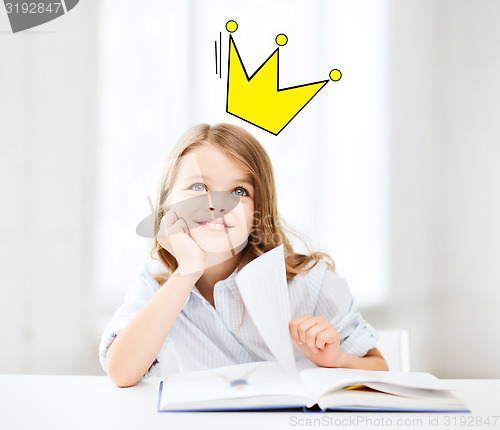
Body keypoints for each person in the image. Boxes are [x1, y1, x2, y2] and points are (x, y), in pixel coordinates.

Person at [99, 123, 388, 388]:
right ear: (166, 205)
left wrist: (336, 361)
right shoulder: (155, 285)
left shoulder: (310, 282)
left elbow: (380, 370)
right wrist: (188, 270)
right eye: (198, 187)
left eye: (239, 191)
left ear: (257, 212)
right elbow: (121, 372)